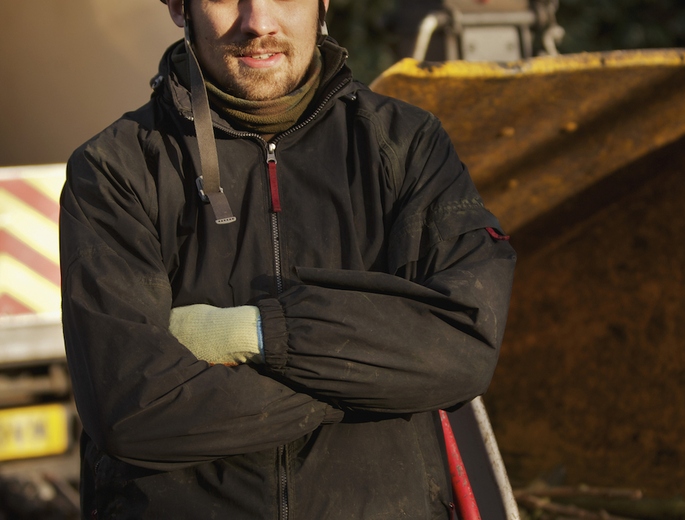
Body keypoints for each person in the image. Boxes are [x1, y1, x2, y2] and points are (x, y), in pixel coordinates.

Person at [59, 0, 516, 517]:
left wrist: (252, 335)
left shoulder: (407, 146)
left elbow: (463, 346)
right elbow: (131, 407)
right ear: (178, 6)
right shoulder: (114, 170)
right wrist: (372, 375)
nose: (258, 23)